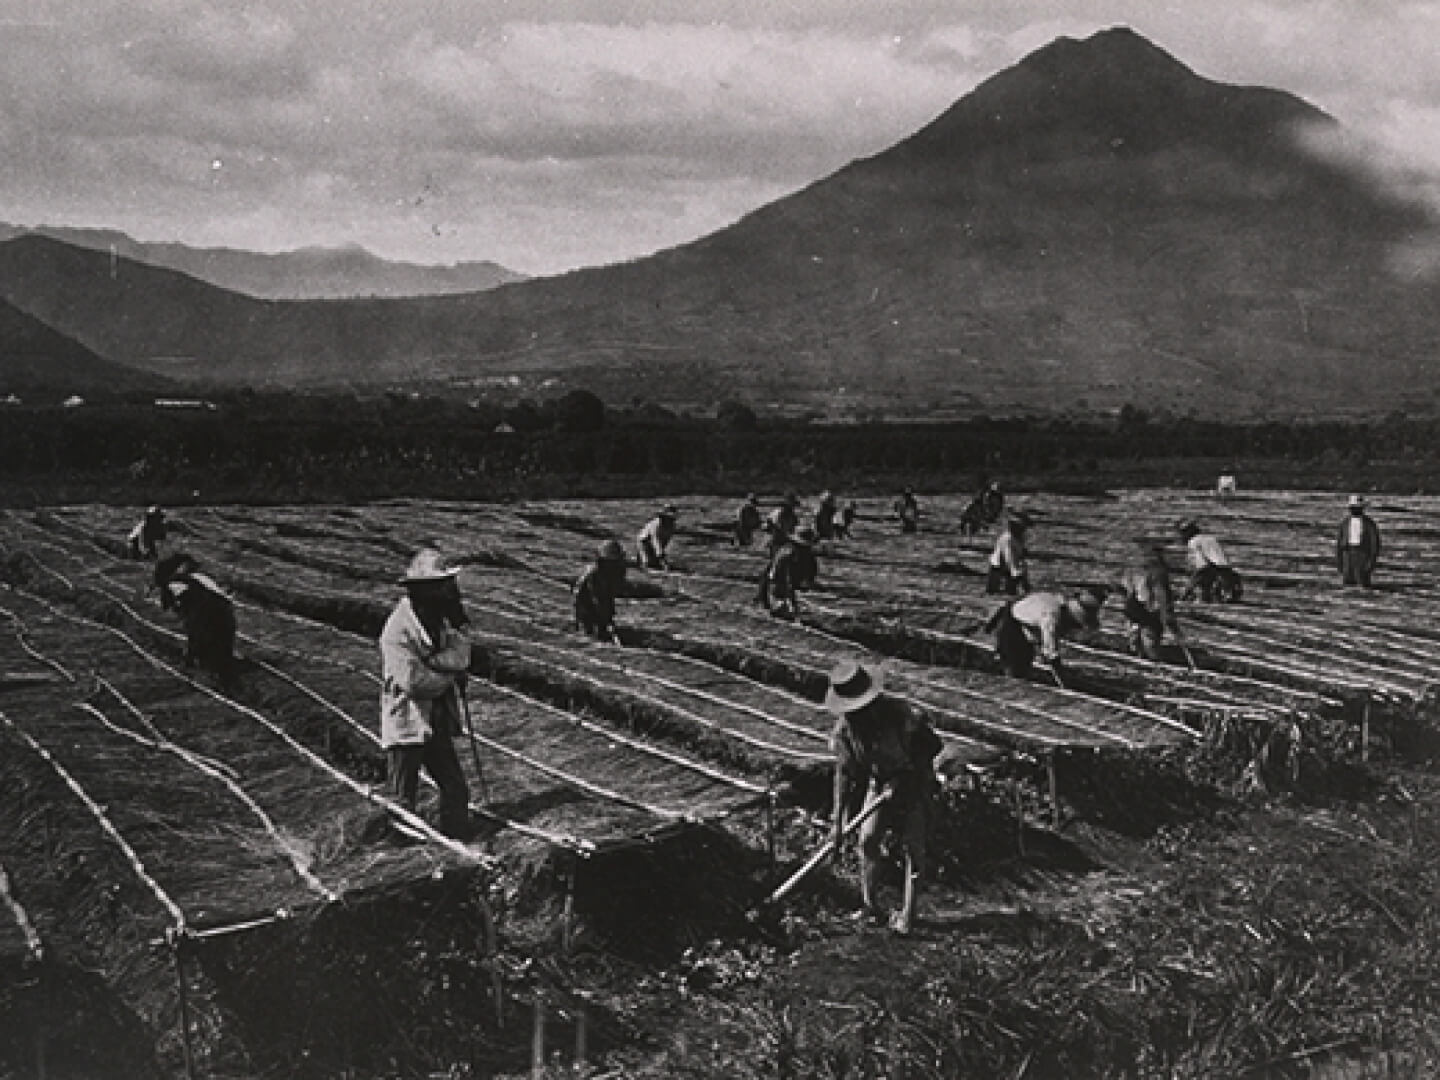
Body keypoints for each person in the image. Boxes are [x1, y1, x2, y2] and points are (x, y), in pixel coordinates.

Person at [826, 660, 942, 935]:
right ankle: (870, 906)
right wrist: (838, 822)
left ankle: (908, 916)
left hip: (914, 783)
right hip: (878, 785)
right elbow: (844, 775)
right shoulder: (846, 731)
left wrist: (906, 778)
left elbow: (932, 748)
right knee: (867, 840)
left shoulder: (905, 717)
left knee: (913, 848)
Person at [379, 549, 473, 839]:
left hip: (436, 720)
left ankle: (457, 839)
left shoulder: (440, 621)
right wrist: (448, 675)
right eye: (440, 586)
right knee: (402, 800)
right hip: (408, 721)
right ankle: (400, 854)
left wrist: (436, 664)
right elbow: (413, 682)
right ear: (422, 590)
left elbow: (462, 653)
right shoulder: (397, 631)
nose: (448, 592)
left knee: (456, 788)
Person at [987, 587, 1107, 680]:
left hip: (1024, 619)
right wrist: (1059, 671)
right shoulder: (1052, 616)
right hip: (1013, 622)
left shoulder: (1059, 605)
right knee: (1015, 662)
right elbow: (1050, 649)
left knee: (1026, 658)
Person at [1118, 539, 1179, 662]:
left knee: (1135, 641)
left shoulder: (1132, 569)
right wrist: (1168, 615)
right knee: (1150, 643)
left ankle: (1137, 660)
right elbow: (1162, 595)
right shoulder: (1158, 572)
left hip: (1133, 609)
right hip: (1149, 613)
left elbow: (1124, 588)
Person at [574, 539, 628, 643]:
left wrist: (609, 614)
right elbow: (597, 597)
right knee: (593, 634)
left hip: (601, 599)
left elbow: (610, 593)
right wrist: (605, 617)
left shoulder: (617, 570)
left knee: (604, 628)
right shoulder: (594, 573)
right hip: (584, 603)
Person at [759, 525, 818, 619]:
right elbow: (773, 579)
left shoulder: (808, 557)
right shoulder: (785, 555)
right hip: (778, 588)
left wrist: (806, 584)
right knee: (781, 610)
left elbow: (811, 574)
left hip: (794, 587)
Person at [1177, 520, 1243, 602]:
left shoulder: (1193, 541)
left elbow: (1201, 564)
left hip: (1209, 566)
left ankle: (1186, 597)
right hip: (1223, 565)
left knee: (1198, 581)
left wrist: (1193, 580)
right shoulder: (1210, 538)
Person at [1336, 495, 1381, 588]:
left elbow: (1374, 544)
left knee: (1362, 581)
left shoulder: (1369, 524)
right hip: (1347, 554)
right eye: (1352, 508)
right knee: (1347, 582)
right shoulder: (1345, 523)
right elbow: (1339, 543)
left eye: (1357, 508)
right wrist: (1340, 561)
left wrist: (1371, 562)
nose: (1354, 510)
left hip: (1362, 554)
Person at [986, 512, 1031, 596]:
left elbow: (1019, 554)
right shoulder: (1007, 539)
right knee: (992, 591)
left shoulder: (1019, 538)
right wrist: (1015, 572)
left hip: (1011, 566)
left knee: (1011, 591)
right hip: (998, 566)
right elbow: (1009, 557)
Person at [636, 504, 679, 570]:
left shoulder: (672, 526)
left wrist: (662, 557)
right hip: (644, 542)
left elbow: (665, 541)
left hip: (657, 545)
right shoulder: (656, 525)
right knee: (647, 564)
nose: (669, 520)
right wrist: (661, 555)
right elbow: (655, 541)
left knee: (656, 564)